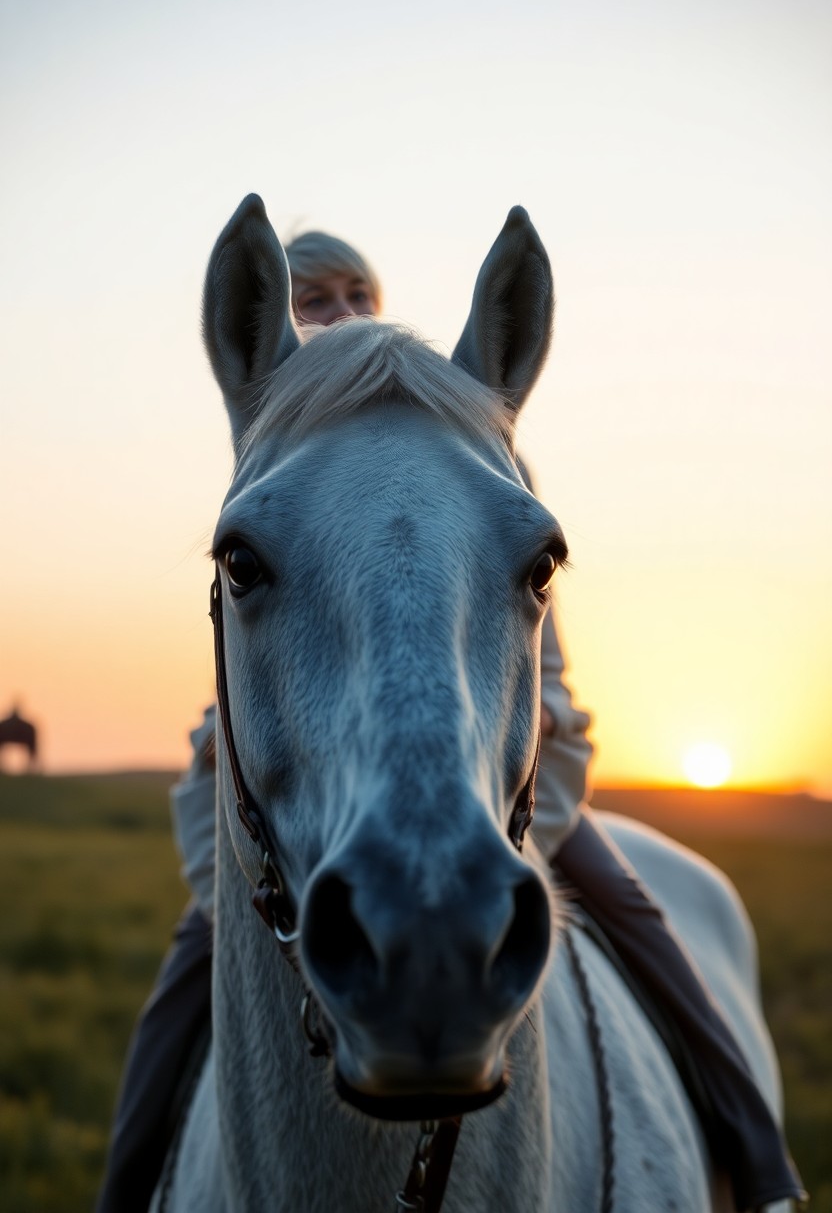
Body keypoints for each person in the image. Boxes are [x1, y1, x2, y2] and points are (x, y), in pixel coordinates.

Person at [97, 230, 804, 1213]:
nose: (336, 310)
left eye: (354, 292)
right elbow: (228, 725)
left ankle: (761, 1169)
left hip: (511, 798)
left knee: (652, 926)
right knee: (178, 1008)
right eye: (310, 296)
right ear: (270, 325)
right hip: (287, 833)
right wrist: (235, 885)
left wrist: (524, 827)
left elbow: (547, 691)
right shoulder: (278, 472)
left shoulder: (471, 448)